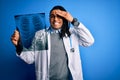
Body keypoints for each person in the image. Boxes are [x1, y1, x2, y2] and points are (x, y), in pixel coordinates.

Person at [11, 5, 94, 80]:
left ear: (65, 18)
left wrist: (73, 21)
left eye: (59, 16)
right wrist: (18, 45)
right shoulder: (40, 35)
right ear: (49, 19)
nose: (55, 19)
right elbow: (30, 59)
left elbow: (89, 41)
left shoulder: (72, 34)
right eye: (52, 16)